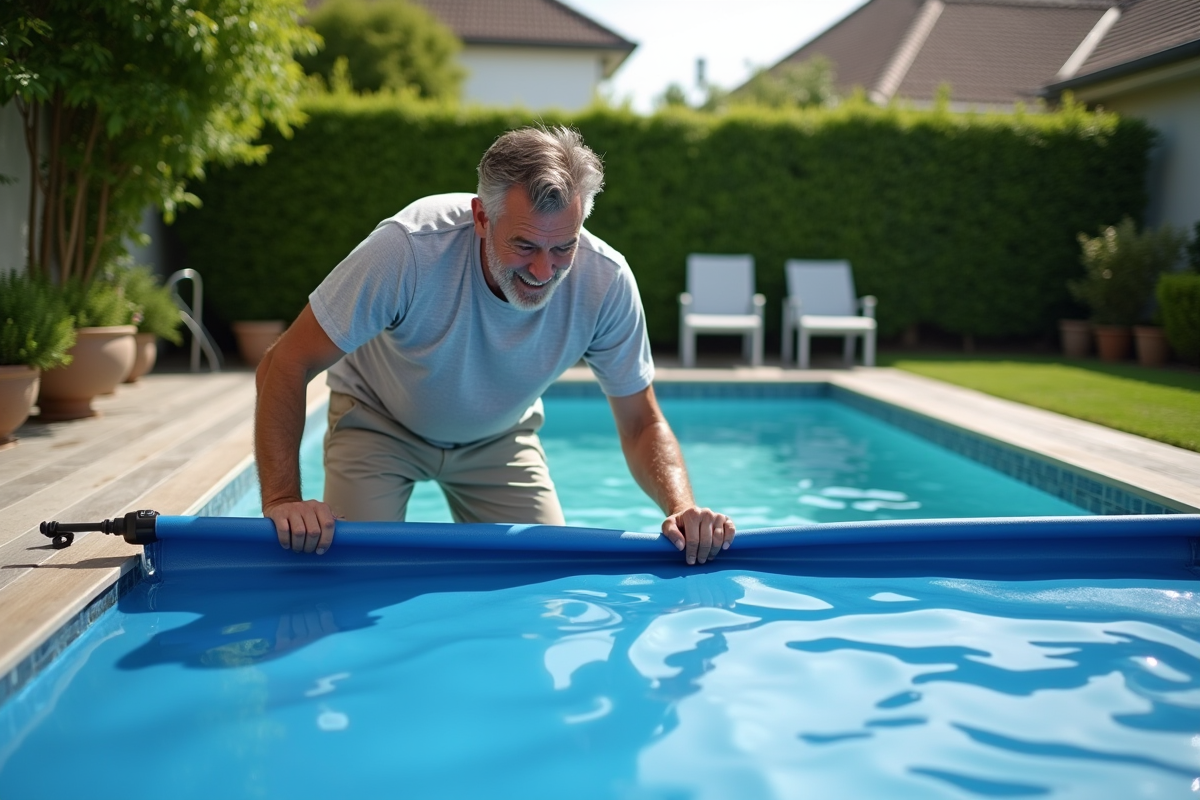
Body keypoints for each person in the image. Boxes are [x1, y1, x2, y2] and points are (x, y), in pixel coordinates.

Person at [254, 126, 734, 565]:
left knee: (543, 577)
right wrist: (282, 501)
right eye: (525, 245)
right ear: (481, 217)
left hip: (499, 439)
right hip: (378, 425)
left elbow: (640, 420)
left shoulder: (605, 282)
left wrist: (683, 507)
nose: (544, 271)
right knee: (351, 572)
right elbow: (285, 363)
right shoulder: (408, 249)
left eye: (563, 246)